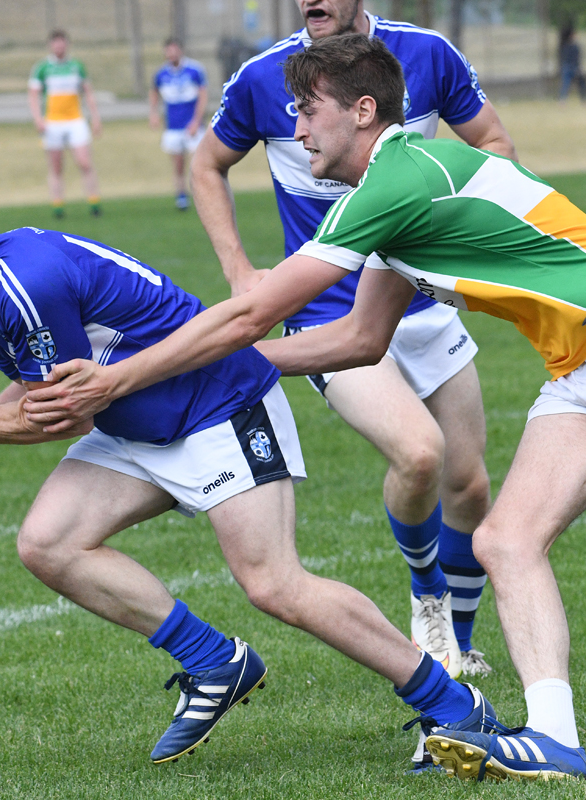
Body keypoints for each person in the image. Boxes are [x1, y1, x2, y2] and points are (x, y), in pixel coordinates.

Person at [21, 34, 586, 781]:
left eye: (308, 111)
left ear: (363, 110)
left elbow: (252, 318)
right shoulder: (385, 195)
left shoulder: (397, 181)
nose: (297, 129)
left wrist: (124, 378)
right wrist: (197, 378)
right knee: (505, 540)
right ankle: (555, 741)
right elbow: (358, 338)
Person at [0, 170, 502, 767]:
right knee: (48, 543)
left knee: (274, 584)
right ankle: (215, 663)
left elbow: (62, 416)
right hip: (136, 424)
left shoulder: (23, 280)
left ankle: (455, 706)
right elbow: (38, 392)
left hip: (219, 405)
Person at [192, 0, 520, 684]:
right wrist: (240, 273)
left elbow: (495, 145)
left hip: (422, 299)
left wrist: (453, 230)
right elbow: (207, 165)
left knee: (469, 480)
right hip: (330, 310)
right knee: (419, 452)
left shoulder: (426, 54)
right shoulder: (265, 77)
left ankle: (457, 641)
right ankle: (426, 597)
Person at [28, 30, 102, 218]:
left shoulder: (77, 66)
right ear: (51, 46)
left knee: (84, 162)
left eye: (62, 43)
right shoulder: (43, 68)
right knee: (56, 166)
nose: (59, 47)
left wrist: (95, 118)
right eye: (56, 43)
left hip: (75, 120)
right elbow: (34, 96)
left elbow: (88, 93)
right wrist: (38, 119)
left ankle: (94, 202)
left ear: (67, 44)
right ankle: (58, 206)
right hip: (52, 123)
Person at [149, 38, 208, 211]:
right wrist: (153, 113)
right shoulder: (161, 74)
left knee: (198, 164)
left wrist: (197, 121)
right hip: (173, 127)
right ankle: (181, 196)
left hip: (192, 125)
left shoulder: (194, 70)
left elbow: (203, 96)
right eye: (168, 50)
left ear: (180, 51)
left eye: (174, 50)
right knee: (178, 164)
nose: (171, 54)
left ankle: (202, 197)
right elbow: (154, 93)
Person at [558, 24, 586, 104]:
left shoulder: (563, 46)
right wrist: (578, 68)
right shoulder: (574, 47)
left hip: (567, 67)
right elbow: (576, 59)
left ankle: (562, 100)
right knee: (579, 83)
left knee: (566, 85)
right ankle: (584, 100)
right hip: (573, 67)